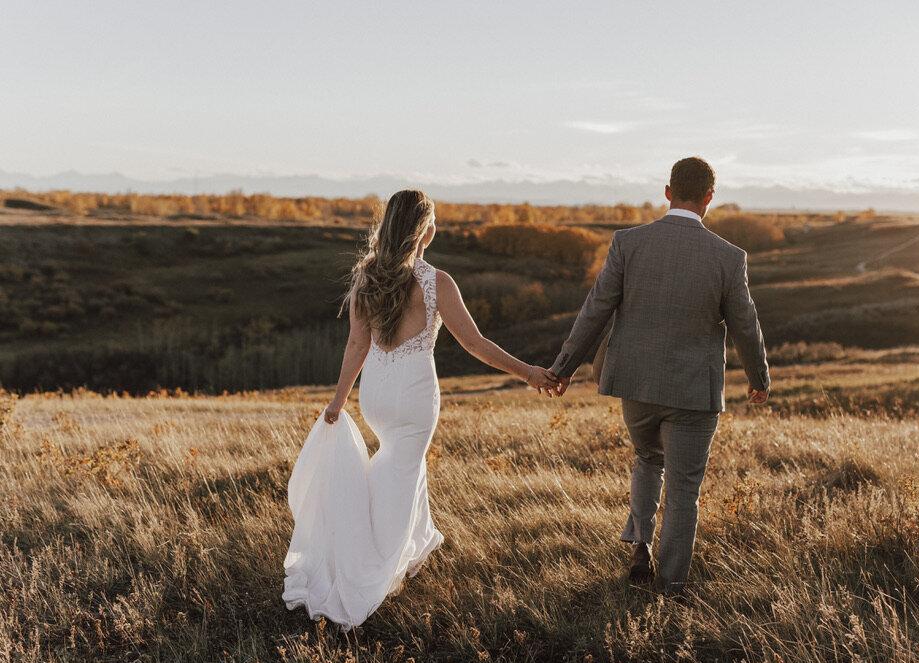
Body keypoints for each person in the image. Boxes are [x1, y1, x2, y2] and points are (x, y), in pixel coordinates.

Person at [282, 189, 557, 630]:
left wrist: (338, 401)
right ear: (424, 230)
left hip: (376, 395)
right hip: (413, 398)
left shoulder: (366, 278)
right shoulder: (436, 282)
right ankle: (370, 573)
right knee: (398, 476)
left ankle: (415, 547)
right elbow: (475, 343)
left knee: (399, 468)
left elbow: (356, 344)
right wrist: (527, 372)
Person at [548, 157, 771, 596]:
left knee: (648, 459)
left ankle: (639, 543)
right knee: (684, 491)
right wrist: (758, 376)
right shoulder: (729, 257)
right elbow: (746, 323)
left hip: (637, 387)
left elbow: (596, 308)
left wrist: (563, 368)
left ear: (667, 192)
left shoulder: (629, 243)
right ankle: (669, 589)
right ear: (710, 198)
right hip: (695, 394)